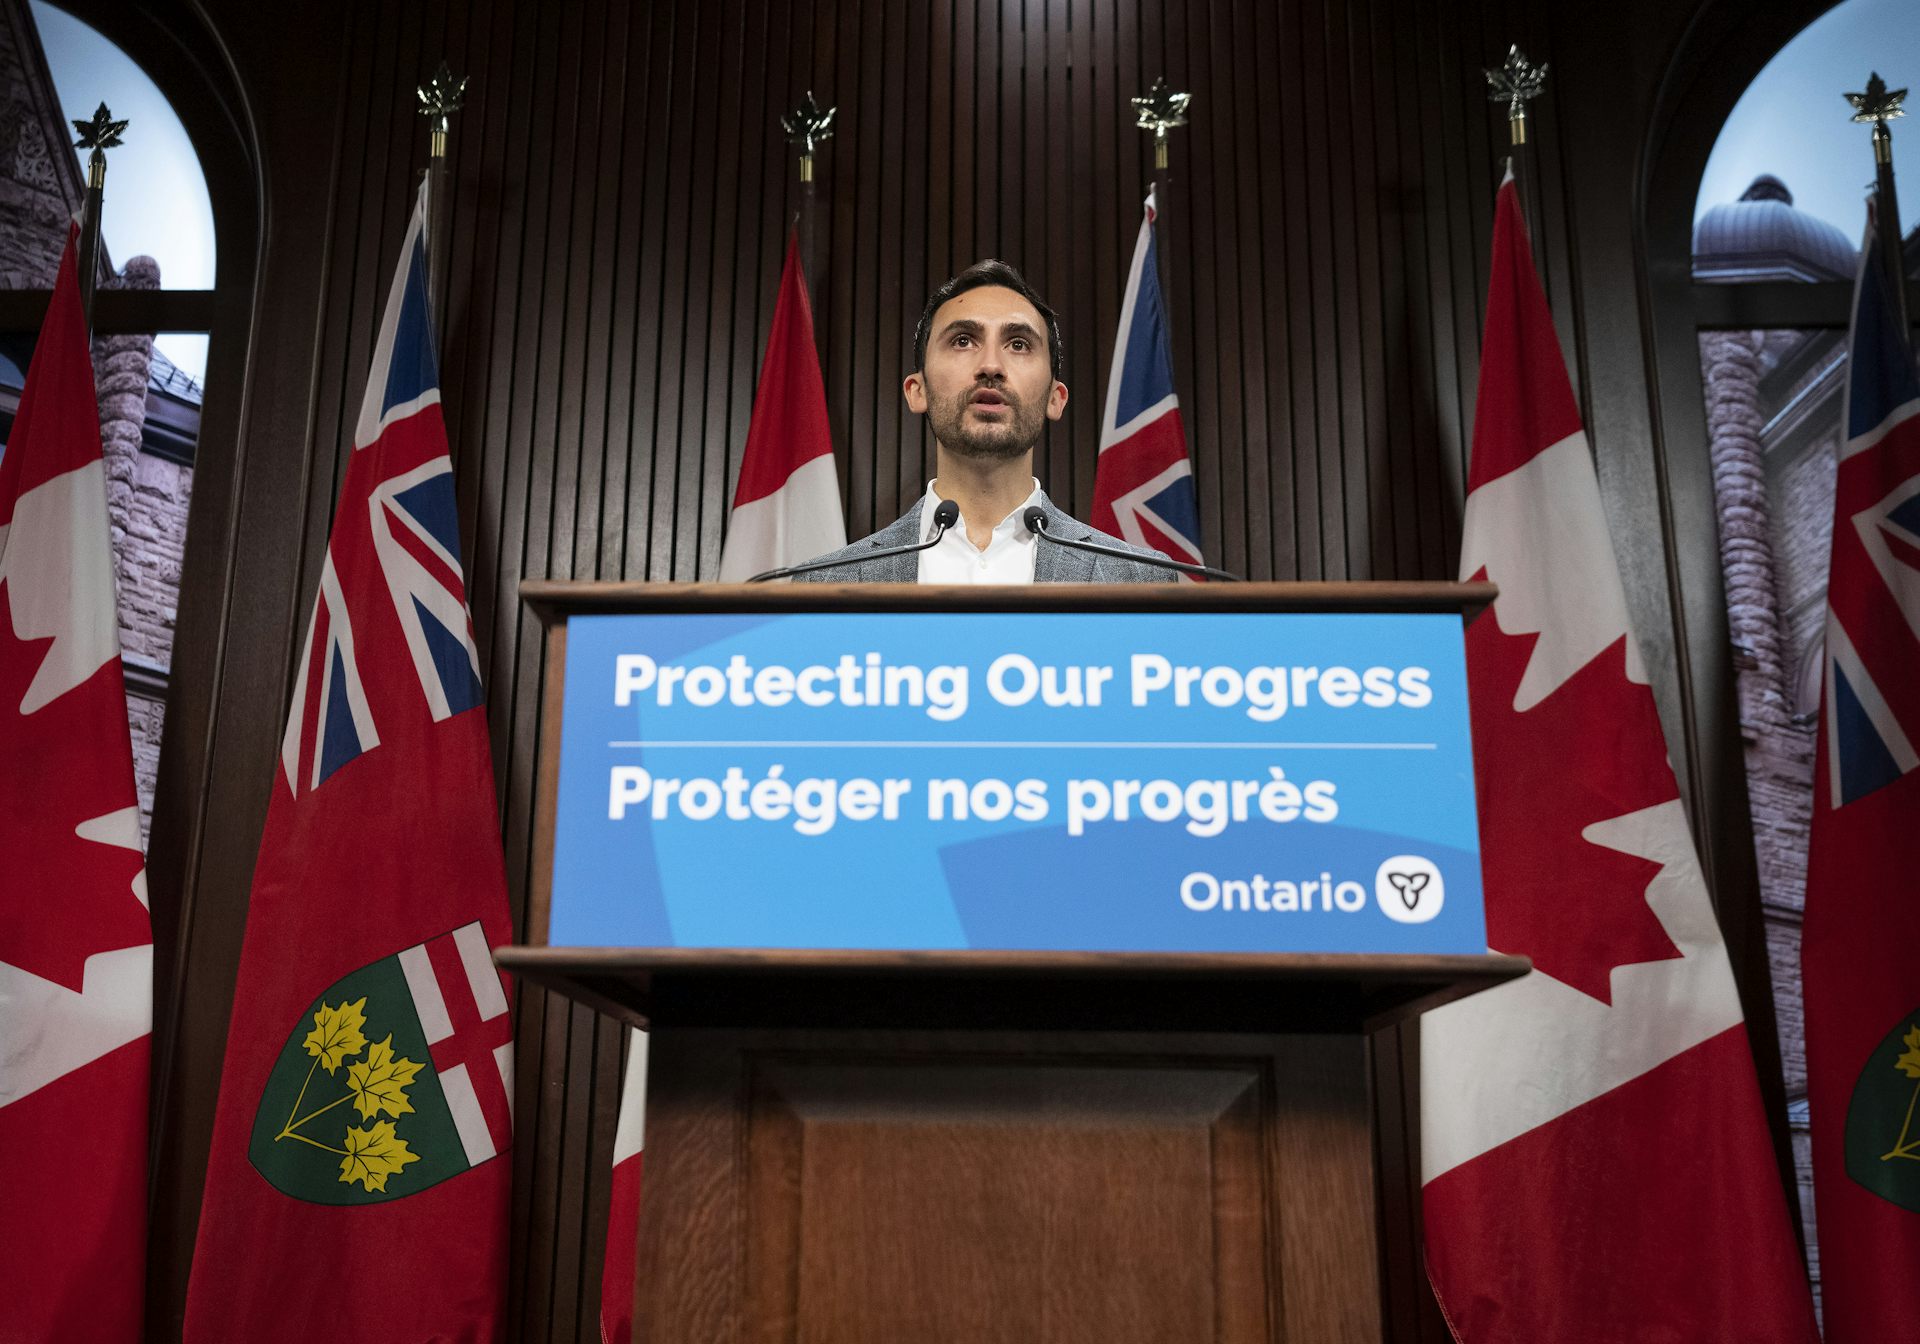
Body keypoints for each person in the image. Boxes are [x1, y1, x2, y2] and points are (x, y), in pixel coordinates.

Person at [795, 260, 1175, 583]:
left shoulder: (1141, 579)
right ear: (917, 390)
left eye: (1018, 344)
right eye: (963, 340)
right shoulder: (822, 586)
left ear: (1055, 398)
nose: (991, 365)